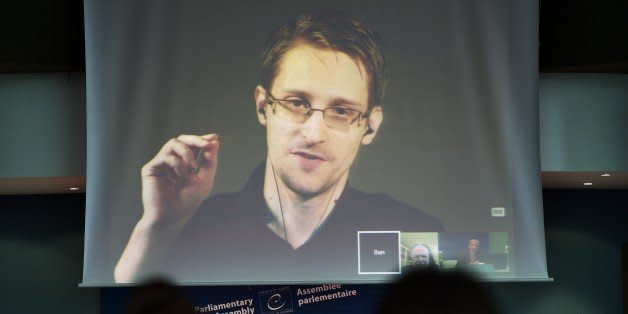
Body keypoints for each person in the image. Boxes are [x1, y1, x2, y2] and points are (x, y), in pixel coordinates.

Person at [114, 9, 442, 283]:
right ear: (263, 107)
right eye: (296, 102)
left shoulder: (414, 234)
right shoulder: (189, 230)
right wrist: (159, 227)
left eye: (342, 111)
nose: (314, 132)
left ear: (370, 126)